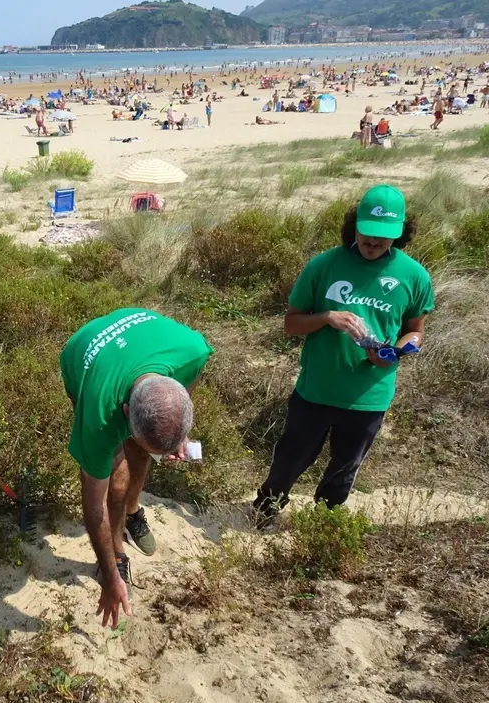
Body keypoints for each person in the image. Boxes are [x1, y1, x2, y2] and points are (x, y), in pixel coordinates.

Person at [251, 186, 433, 527]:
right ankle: (266, 509)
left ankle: (324, 524)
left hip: (369, 396)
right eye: (368, 233)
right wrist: (325, 318)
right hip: (317, 389)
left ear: (400, 234)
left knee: (345, 468)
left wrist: (396, 352)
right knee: (290, 459)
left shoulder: (414, 276)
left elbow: (415, 331)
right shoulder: (324, 265)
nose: (374, 242)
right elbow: (291, 324)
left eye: (385, 236)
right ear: (355, 225)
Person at [59, 309, 213, 628]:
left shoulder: (194, 353)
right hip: (84, 351)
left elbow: (180, 396)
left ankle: (131, 513)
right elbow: (93, 507)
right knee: (113, 485)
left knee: (140, 456)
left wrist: (177, 437)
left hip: (138, 340)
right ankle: (117, 552)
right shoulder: (100, 414)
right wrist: (111, 576)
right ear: (125, 413)